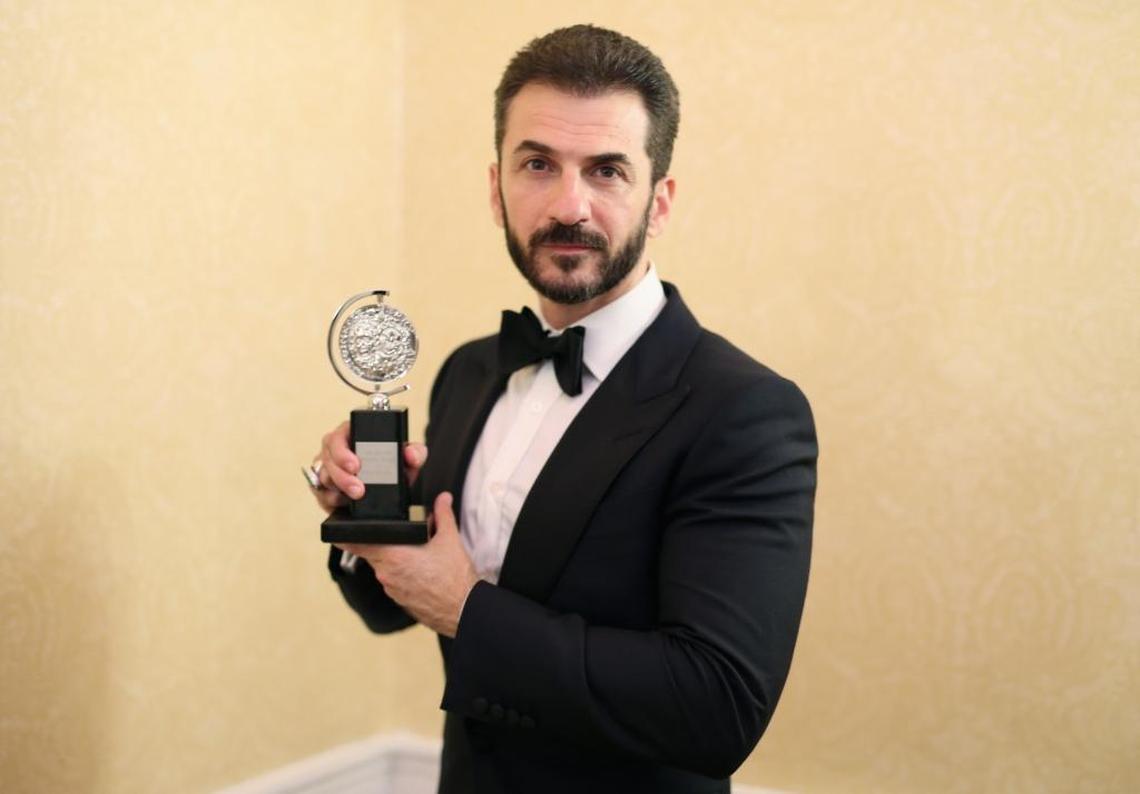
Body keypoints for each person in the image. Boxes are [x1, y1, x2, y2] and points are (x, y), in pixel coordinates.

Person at [308, 24, 817, 794]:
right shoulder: (469, 371)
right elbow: (395, 610)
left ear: (660, 202)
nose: (569, 205)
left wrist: (468, 608)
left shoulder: (744, 412)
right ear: (496, 189)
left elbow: (716, 707)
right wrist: (364, 514)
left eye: (607, 170)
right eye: (538, 164)